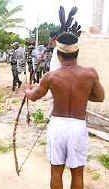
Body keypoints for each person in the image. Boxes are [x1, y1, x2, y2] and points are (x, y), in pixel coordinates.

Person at [25, 6, 105, 189]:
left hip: (57, 126)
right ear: (76, 53)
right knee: (77, 172)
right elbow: (100, 97)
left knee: (56, 171)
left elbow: (35, 96)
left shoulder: (51, 77)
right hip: (78, 126)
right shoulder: (90, 74)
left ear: (59, 55)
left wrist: (27, 91)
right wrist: (82, 95)